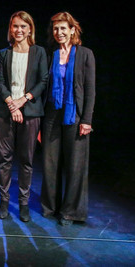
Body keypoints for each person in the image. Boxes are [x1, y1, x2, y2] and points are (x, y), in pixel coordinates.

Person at [41, 12, 95, 226]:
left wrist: (87, 120)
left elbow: (90, 90)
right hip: (52, 113)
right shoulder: (50, 53)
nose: (59, 32)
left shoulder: (85, 54)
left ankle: (70, 211)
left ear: (73, 30)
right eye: (56, 29)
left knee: (75, 165)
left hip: (76, 115)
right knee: (49, 162)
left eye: (64, 28)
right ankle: (50, 206)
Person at [0, 11, 48, 222]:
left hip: (30, 112)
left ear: (30, 29)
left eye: (23, 27)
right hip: (5, 112)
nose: (19, 30)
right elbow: (0, 83)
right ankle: (4, 201)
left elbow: (43, 81)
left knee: (26, 160)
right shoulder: (4, 53)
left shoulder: (39, 52)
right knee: (4, 160)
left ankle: (23, 203)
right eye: (15, 26)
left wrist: (22, 101)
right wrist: (12, 105)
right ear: (10, 28)